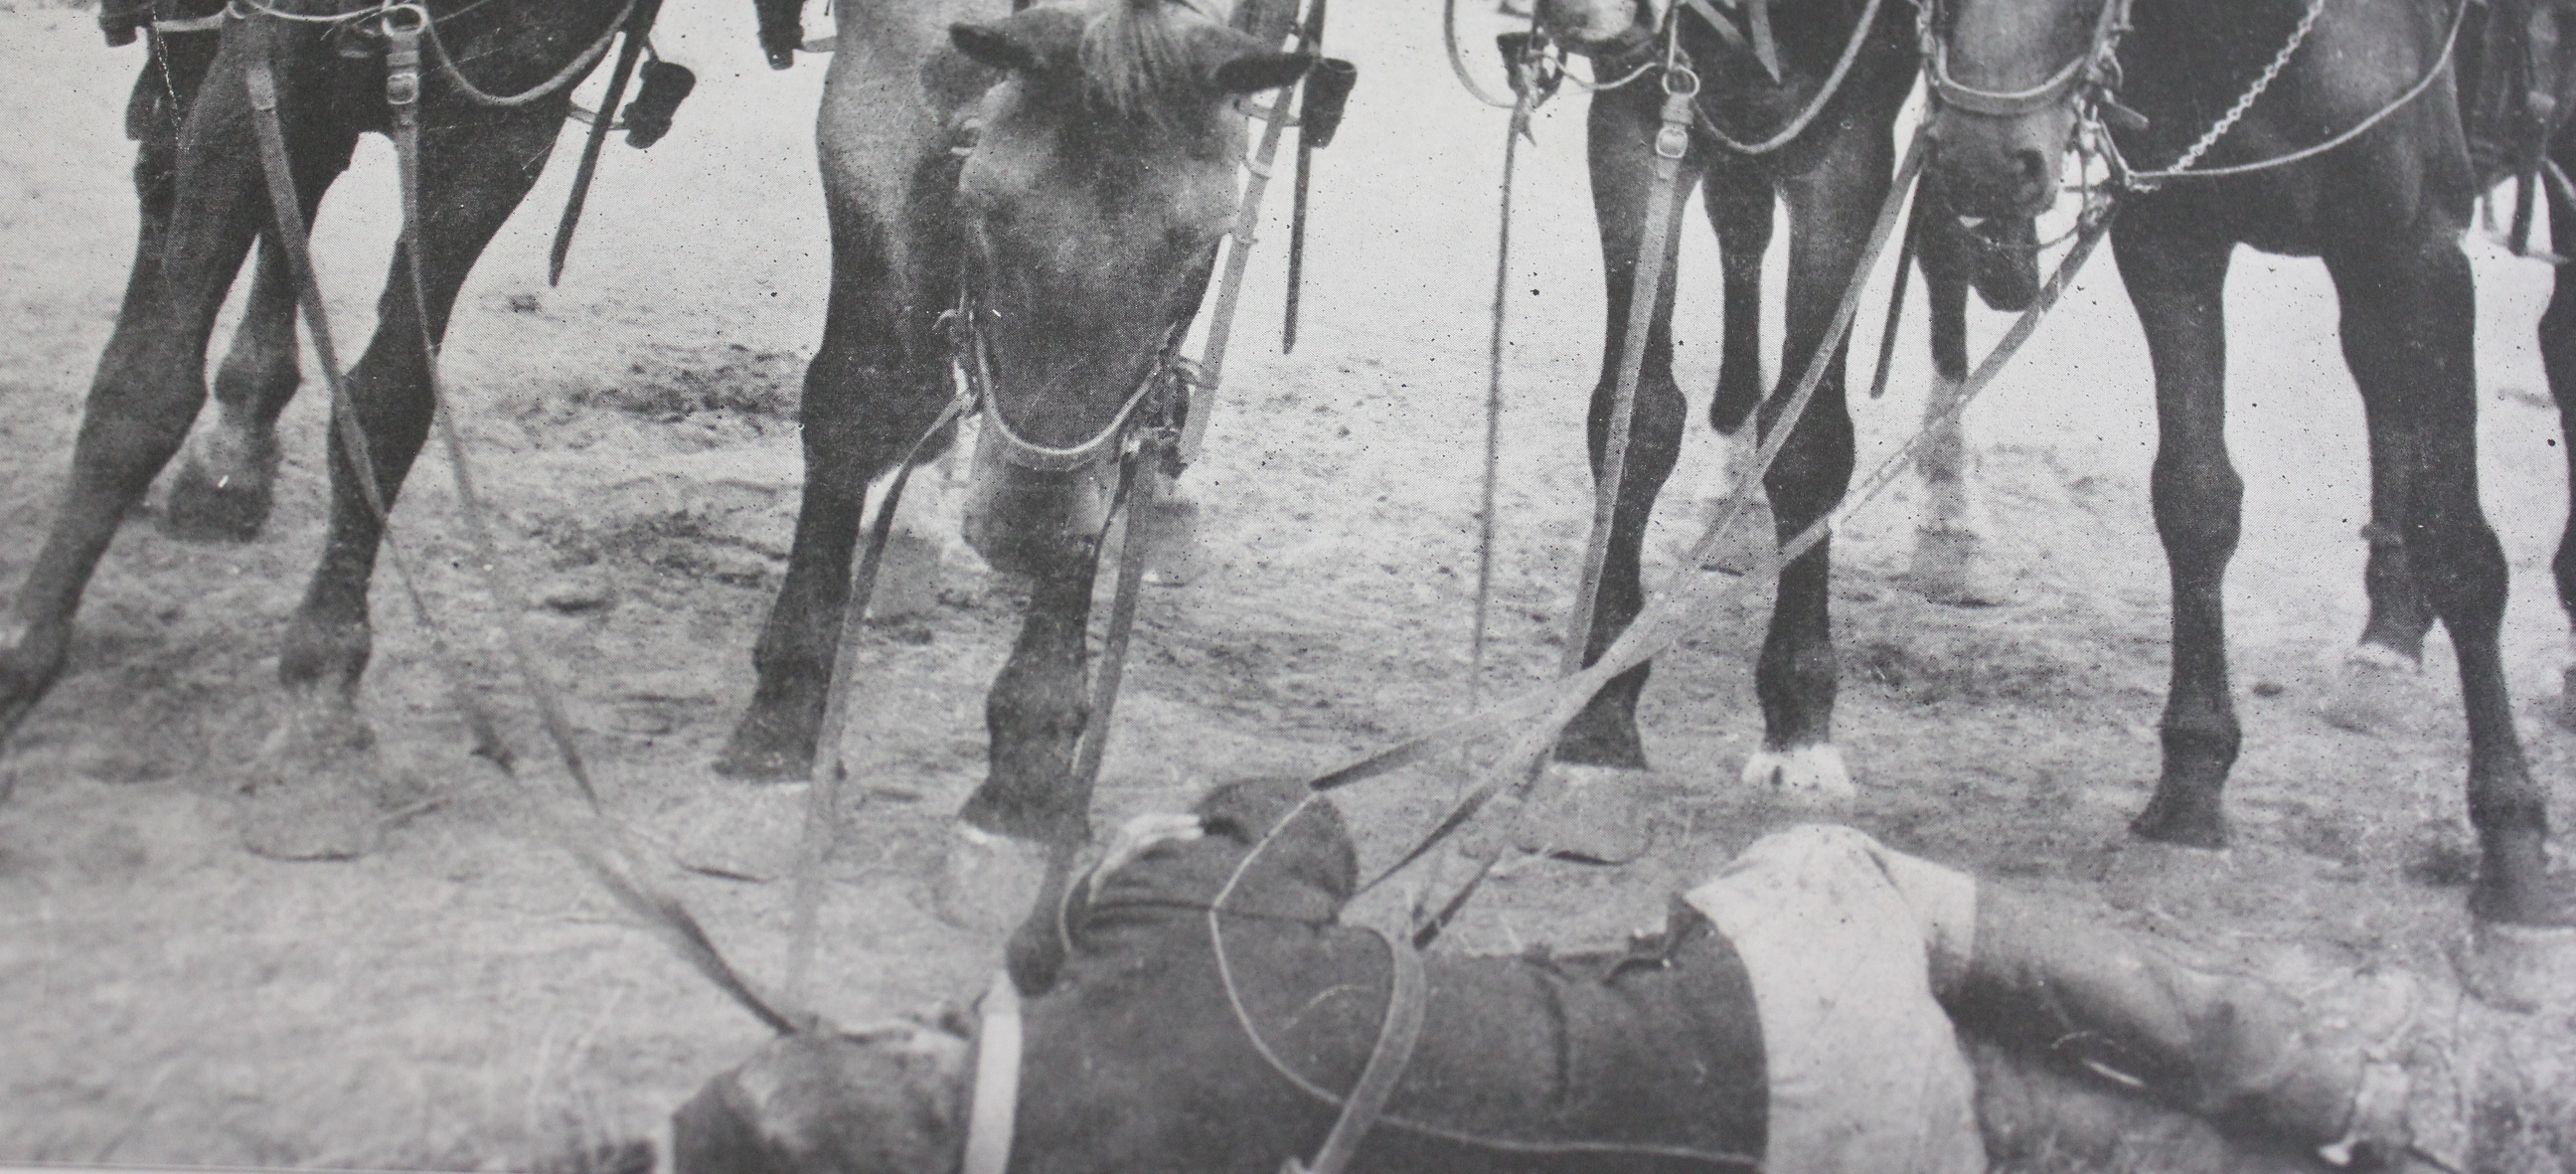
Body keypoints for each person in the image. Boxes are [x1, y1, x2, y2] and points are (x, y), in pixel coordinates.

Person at [673, 778, 2534, 1174]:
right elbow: (1280, 821)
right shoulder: (1167, 963)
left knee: (2026, 1134)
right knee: (1853, 877)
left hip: (1792, 1158)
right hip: (1763, 992)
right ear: (894, 1056)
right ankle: (2345, 1108)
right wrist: (1070, 916)